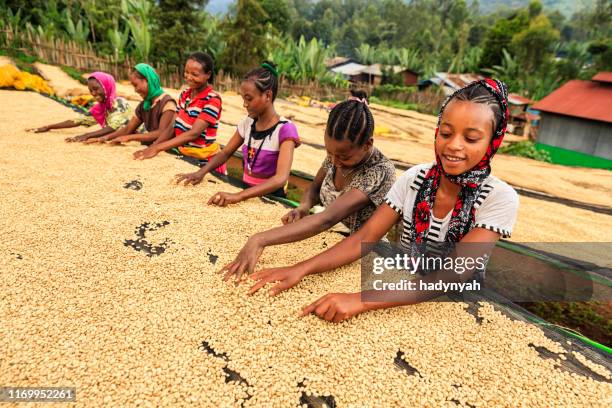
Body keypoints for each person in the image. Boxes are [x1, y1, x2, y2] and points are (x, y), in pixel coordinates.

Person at [247, 79, 519, 323]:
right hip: (398, 289)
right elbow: (364, 238)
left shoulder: (499, 198)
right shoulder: (416, 179)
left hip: (459, 308)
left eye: (471, 138)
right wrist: (300, 269)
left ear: (493, 141)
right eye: (446, 133)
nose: (454, 146)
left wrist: (360, 299)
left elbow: (451, 275)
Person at [220, 89, 396, 280]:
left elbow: (327, 218)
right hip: (329, 238)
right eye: (330, 153)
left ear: (367, 144)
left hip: (362, 253)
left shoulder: (380, 171)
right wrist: (303, 207)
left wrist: (259, 239)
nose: (335, 161)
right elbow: (314, 188)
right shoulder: (337, 155)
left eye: (343, 157)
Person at [175, 62, 301, 205]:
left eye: (249, 99)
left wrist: (239, 196)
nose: (244, 104)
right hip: (246, 191)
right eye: (243, 99)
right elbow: (225, 153)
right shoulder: (247, 123)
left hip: (271, 199)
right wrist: (201, 172)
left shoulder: (285, 129)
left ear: (267, 95)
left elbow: (280, 178)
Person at [132, 52, 223, 173]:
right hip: (185, 154)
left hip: (203, 160)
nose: (189, 77)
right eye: (186, 72)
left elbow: (194, 133)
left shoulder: (212, 99)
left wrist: (158, 148)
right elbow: (172, 127)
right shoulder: (185, 94)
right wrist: (153, 147)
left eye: (194, 74)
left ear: (208, 75)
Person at [84, 63, 176, 146]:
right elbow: (128, 129)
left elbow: (161, 133)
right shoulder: (143, 106)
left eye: (136, 85)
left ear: (148, 80)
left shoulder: (167, 103)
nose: (135, 90)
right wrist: (104, 138)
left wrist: (130, 137)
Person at [27, 72, 132, 142]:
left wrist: (86, 135)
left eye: (96, 89)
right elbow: (78, 121)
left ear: (107, 86)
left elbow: (112, 127)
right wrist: (49, 127)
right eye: (91, 90)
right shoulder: (100, 108)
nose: (93, 93)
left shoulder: (120, 103)